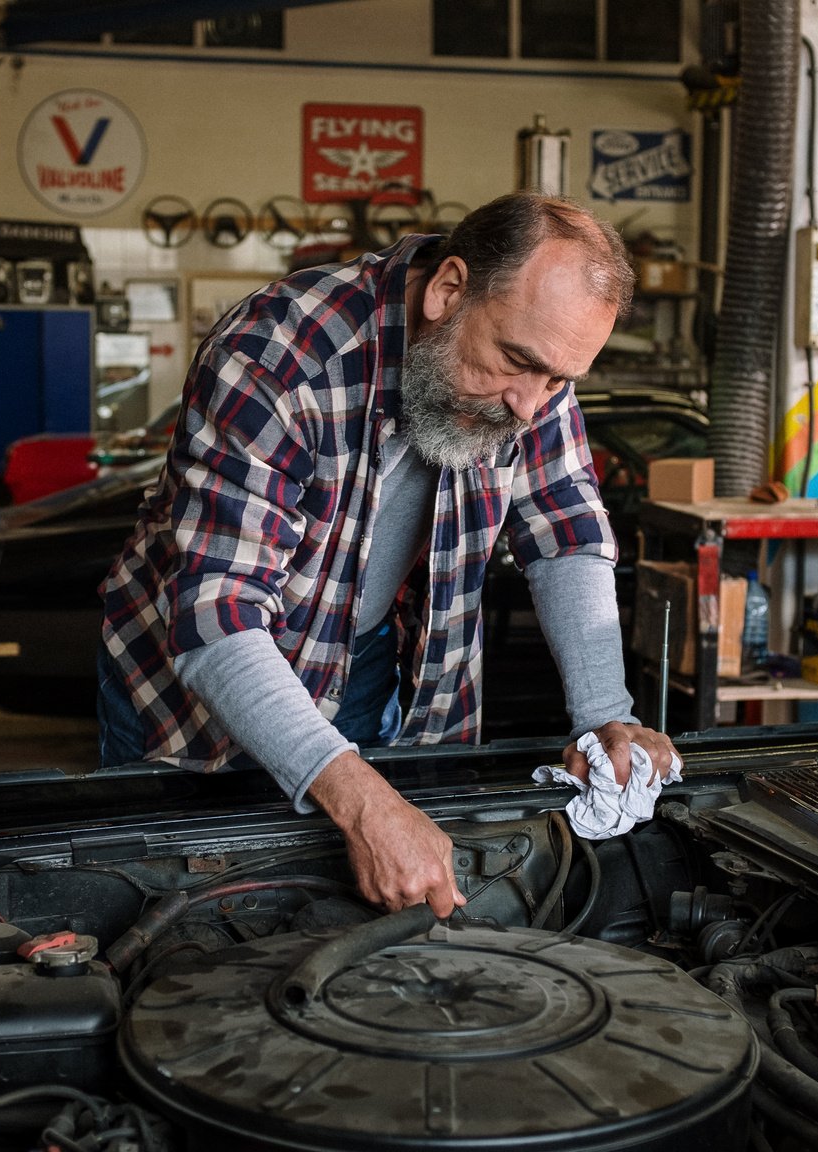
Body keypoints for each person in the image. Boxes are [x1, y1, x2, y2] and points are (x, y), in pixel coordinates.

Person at [98, 191, 678, 917]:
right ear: (447, 290)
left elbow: (567, 527)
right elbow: (218, 612)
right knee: (194, 911)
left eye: (560, 380)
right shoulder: (278, 356)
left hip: (368, 657)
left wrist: (604, 713)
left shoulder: (533, 369)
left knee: (356, 907)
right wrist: (365, 804)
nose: (533, 406)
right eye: (517, 364)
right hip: (194, 691)